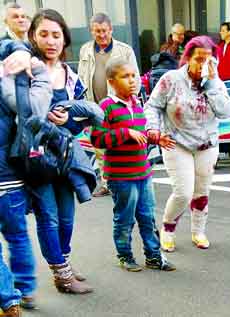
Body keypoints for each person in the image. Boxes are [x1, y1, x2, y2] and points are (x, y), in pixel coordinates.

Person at [145, 36, 230, 252]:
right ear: (188, 58)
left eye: (208, 60)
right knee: (184, 192)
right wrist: (153, 129)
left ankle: (198, 231)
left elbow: (226, 111)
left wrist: (211, 83)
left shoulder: (216, 82)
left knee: (202, 192)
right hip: (175, 142)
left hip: (207, 144)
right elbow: (152, 106)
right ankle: (167, 229)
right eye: (199, 59)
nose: (203, 65)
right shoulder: (171, 79)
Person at [28, 8, 93, 294]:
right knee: (49, 217)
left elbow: (80, 125)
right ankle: (61, 274)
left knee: (67, 217)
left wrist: (66, 121)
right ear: (33, 36)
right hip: (36, 158)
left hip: (65, 157)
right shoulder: (23, 73)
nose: (51, 41)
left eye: (56, 35)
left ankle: (63, 262)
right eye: (44, 34)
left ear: (64, 39)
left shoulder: (72, 78)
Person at [90, 57, 176, 272]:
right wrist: (125, 132)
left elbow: (141, 135)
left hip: (143, 173)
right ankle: (125, 256)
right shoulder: (106, 107)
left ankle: (154, 257)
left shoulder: (138, 105)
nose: (132, 81)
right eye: (125, 76)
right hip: (121, 177)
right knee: (125, 220)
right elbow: (97, 139)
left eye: (133, 76)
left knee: (148, 218)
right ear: (111, 81)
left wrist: (155, 139)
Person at [0, 38, 51, 316]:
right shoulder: (8, 81)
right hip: (10, 175)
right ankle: (26, 289)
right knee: (18, 235)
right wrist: (23, 54)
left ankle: (8, 298)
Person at [78, 12, 141, 197]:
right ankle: (107, 182)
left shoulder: (125, 50)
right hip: (94, 107)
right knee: (99, 147)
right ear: (92, 32)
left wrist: (132, 104)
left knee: (119, 143)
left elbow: (135, 78)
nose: (101, 35)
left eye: (104, 31)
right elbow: (81, 80)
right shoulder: (85, 50)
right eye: (97, 32)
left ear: (111, 30)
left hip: (118, 106)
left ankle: (126, 179)